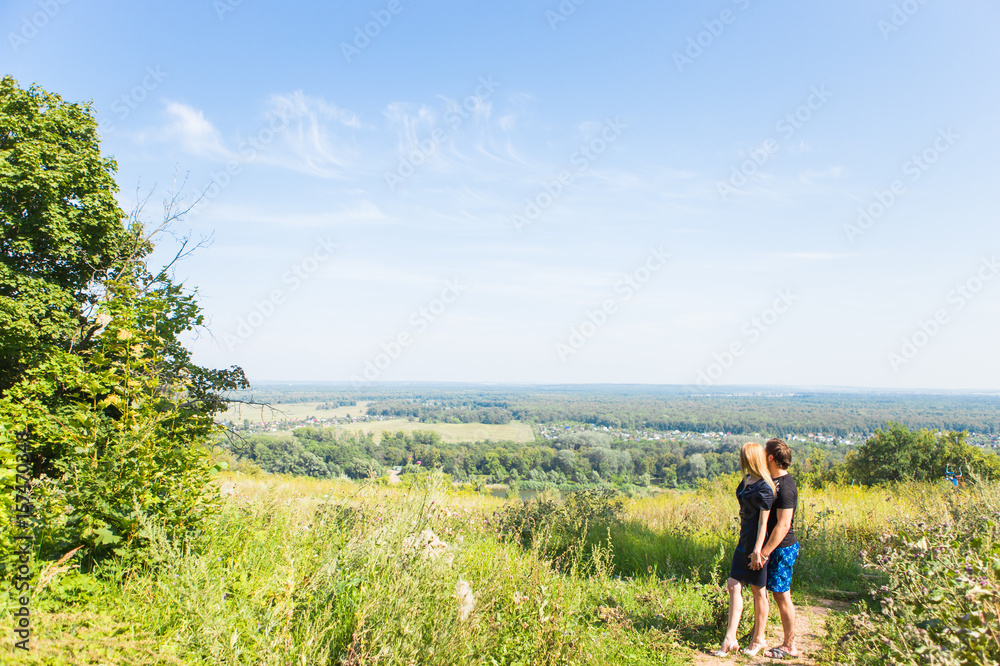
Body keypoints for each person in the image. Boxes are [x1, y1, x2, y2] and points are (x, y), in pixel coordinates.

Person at [715, 442, 776, 657]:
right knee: (733, 584)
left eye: (743, 456)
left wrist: (758, 551)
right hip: (743, 541)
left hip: (755, 544)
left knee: (758, 590)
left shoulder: (765, 488)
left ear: (750, 458)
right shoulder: (747, 481)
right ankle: (730, 638)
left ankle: (758, 638)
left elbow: (763, 523)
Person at [759, 437, 800, 660]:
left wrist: (765, 552)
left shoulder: (785, 488)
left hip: (782, 548)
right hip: (774, 547)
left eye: (764, 453)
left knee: (782, 595)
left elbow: (784, 525)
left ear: (771, 457)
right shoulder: (773, 481)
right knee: (775, 594)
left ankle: (789, 645)